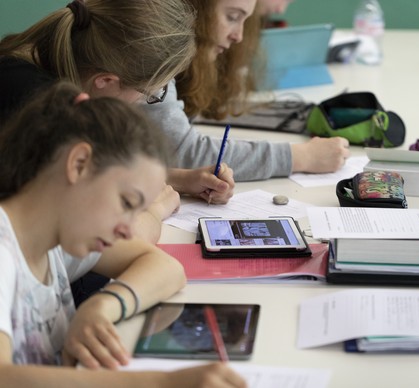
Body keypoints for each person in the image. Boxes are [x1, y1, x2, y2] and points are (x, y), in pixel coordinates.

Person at [0, 81, 246, 387]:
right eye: (126, 203)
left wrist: (101, 307)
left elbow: (167, 269)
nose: (128, 228)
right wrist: (161, 384)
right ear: (79, 164)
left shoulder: (51, 242)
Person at [0, 0, 236, 238]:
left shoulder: (30, 66)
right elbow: (91, 239)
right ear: (105, 81)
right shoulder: (41, 109)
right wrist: (154, 212)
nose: (140, 103)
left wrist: (179, 179)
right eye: (148, 94)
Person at [145, 0, 350, 183]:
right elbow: (185, 152)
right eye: (232, 17)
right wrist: (302, 157)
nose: (239, 36)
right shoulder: (150, 54)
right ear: (195, 7)